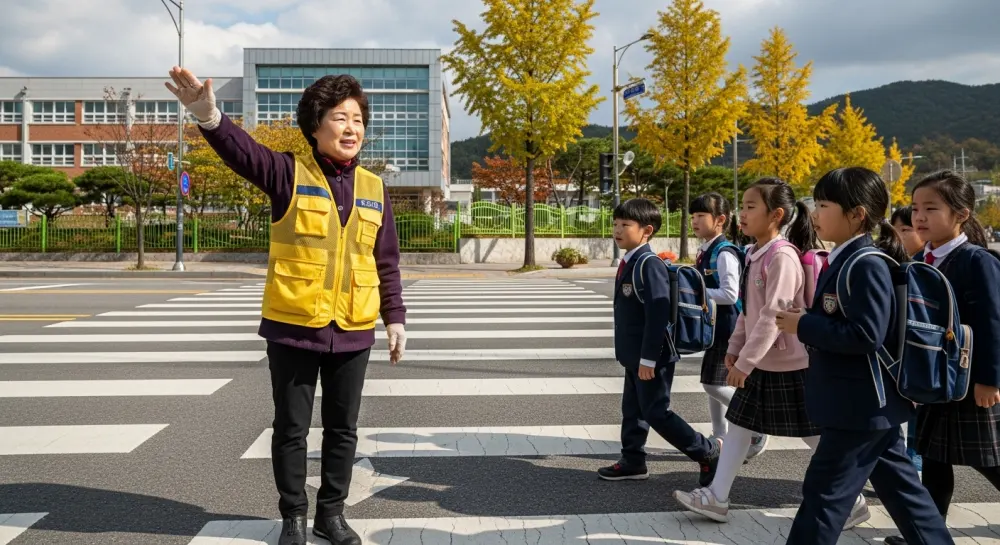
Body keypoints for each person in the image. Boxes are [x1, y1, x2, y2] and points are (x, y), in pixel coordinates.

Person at [166, 67, 407, 545]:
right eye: (340, 118)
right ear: (316, 125)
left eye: (358, 120)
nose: (352, 129)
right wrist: (209, 117)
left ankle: (330, 516)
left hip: (354, 327)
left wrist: (395, 318)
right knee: (291, 428)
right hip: (294, 325)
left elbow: (386, 260)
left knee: (343, 430)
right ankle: (294, 516)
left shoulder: (375, 188)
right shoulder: (287, 173)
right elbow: (243, 152)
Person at [674, 178, 868, 529]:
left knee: (813, 433)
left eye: (751, 207)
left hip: (790, 362)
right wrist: (736, 348)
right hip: (767, 360)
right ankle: (717, 496)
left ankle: (851, 499)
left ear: (776, 215)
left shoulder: (782, 256)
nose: (743, 213)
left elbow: (773, 315)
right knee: (739, 424)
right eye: (743, 206)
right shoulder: (754, 252)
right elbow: (748, 310)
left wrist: (745, 361)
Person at [777, 167, 952, 545]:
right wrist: (807, 320)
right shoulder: (847, 258)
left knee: (824, 498)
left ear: (856, 214)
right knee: (904, 493)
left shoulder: (865, 263)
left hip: (858, 405)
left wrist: (802, 325)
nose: (815, 213)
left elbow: (866, 335)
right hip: (869, 404)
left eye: (824, 205)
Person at [883, 170, 1000, 545]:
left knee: (987, 460)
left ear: (961, 214)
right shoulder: (923, 259)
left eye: (931, 209)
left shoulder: (976, 260)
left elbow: (993, 322)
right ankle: (928, 535)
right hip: (935, 377)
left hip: (969, 380)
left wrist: (990, 379)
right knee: (934, 458)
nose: (919, 217)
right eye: (916, 208)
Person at [599, 198, 722, 487]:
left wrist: (649, 358)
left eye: (625, 224)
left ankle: (706, 452)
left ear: (647, 230)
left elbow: (658, 313)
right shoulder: (631, 261)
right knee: (633, 409)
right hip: (635, 354)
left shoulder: (648, 264)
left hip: (652, 355)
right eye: (615, 224)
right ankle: (633, 460)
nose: (617, 230)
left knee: (656, 412)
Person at [687, 192, 768, 459]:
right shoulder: (707, 250)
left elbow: (730, 294)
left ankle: (756, 424)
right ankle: (720, 435)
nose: (694, 221)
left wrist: (696, 293)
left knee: (712, 384)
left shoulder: (723, 252)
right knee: (714, 384)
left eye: (701, 215)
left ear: (720, 220)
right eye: (693, 216)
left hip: (728, 327)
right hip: (715, 327)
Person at [890, 204, 925, 471]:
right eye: (895, 229)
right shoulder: (897, 263)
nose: (899, 235)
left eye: (906, 230)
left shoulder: (923, 265)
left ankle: (914, 453)